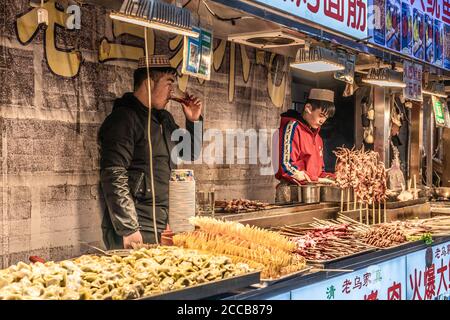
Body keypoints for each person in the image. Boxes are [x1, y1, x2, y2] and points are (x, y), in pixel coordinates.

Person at [98, 55, 202, 249]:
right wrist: (128, 228)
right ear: (148, 83)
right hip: (136, 226)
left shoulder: (165, 119)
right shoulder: (123, 119)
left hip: (162, 224)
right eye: (168, 83)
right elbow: (113, 173)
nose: (172, 92)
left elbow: (190, 153)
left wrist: (194, 121)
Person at [275, 88, 336, 203]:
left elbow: (320, 172)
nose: (323, 120)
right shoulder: (293, 127)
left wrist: (334, 178)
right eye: (321, 115)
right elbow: (286, 167)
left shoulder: (318, 138)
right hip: (291, 194)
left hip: (313, 195)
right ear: (308, 108)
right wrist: (317, 179)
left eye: (326, 117)